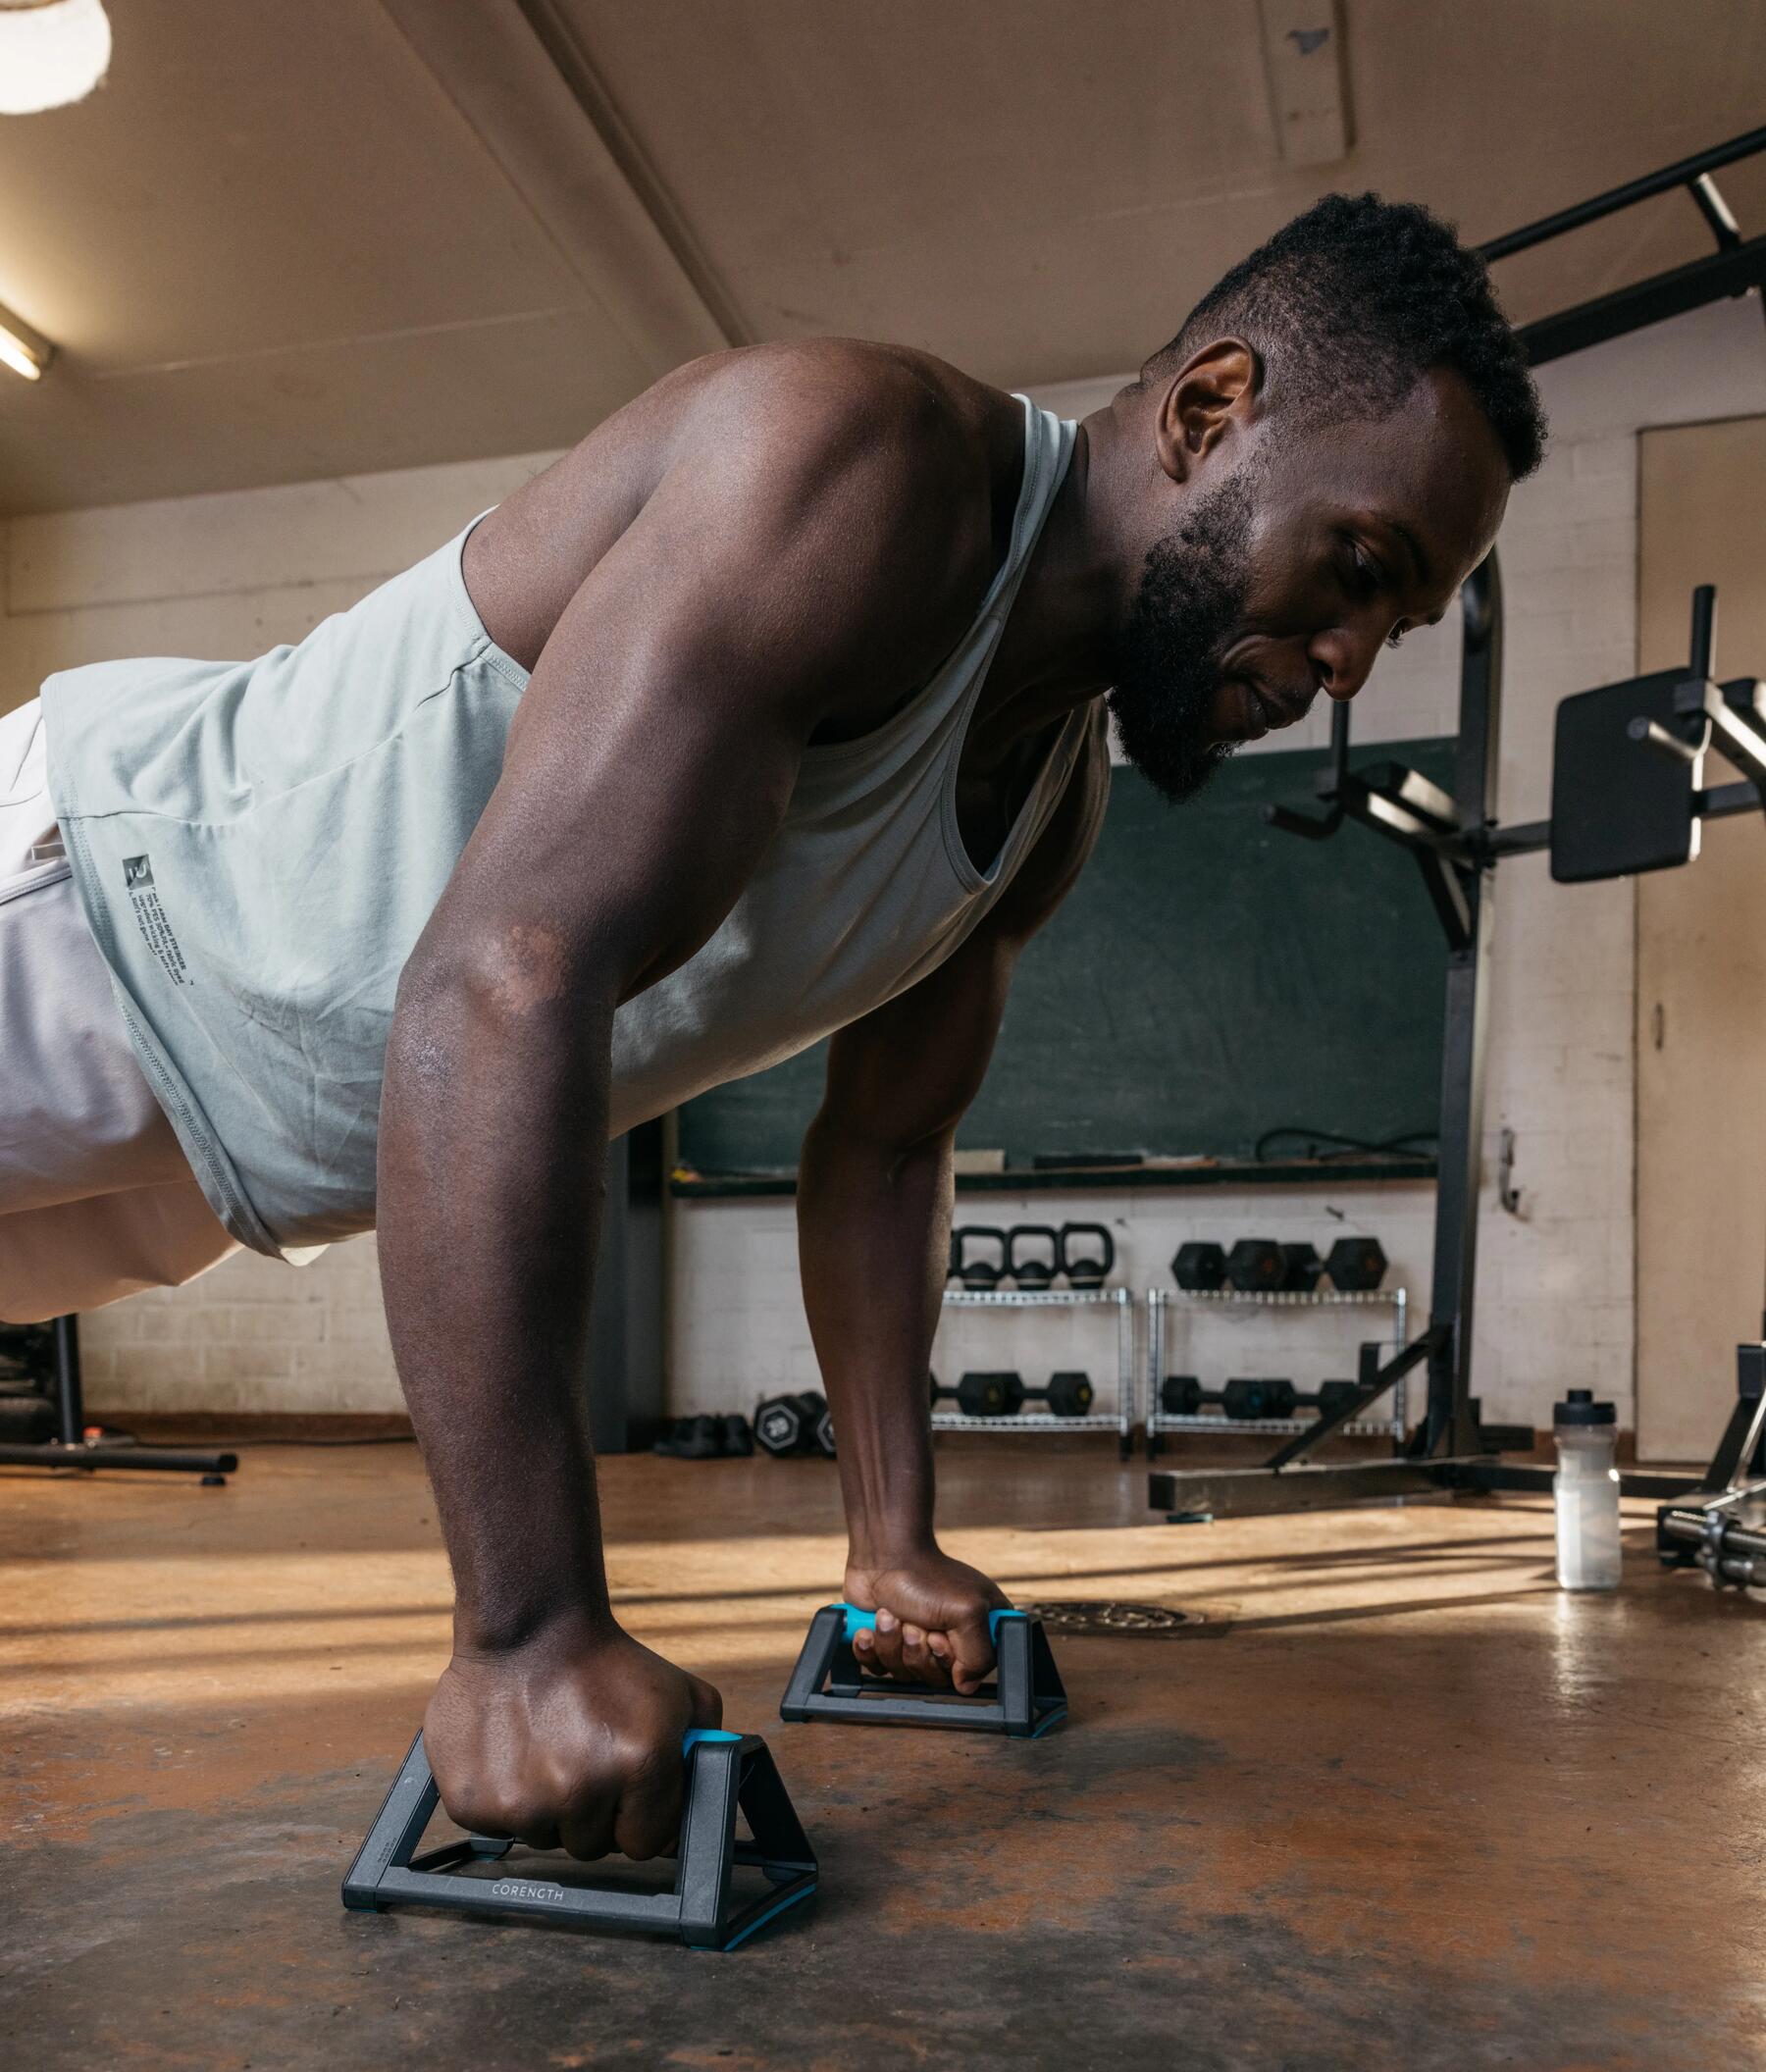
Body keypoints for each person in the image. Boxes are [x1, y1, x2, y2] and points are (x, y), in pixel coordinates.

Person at [0, 192, 1543, 1856]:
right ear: (1210, 410)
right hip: (92, 925)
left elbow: (885, 1149)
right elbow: (505, 968)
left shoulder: (1049, 802)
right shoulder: (861, 464)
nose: (1351, 657)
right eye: (1361, 568)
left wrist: (889, 1542)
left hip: (223, 1169)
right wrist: (523, 1637)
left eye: (1397, 619)